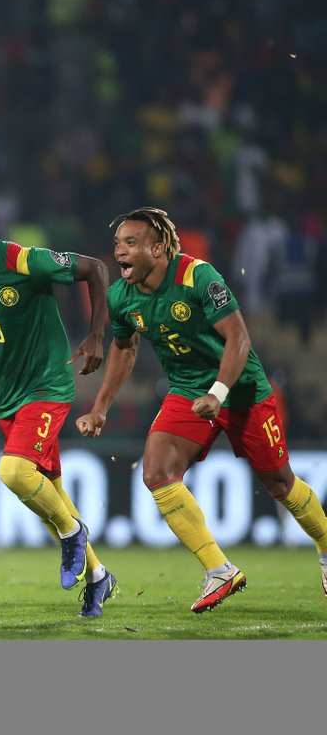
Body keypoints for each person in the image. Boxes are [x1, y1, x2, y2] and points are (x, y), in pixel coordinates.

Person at [76, 207, 327, 611]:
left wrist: (219, 392)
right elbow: (124, 346)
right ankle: (219, 569)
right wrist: (100, 407)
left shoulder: (197, 276)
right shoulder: (121, 296)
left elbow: (239, 338)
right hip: (188, 391)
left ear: (158, 248)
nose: (120, 251)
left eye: (131, 243)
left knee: (280, 484)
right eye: (118, 243)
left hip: (241, 390)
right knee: (156, 472)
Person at [0, 189, 118, 617]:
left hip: (47, 385)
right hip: (7, 396)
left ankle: (73, 535)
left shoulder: (23, 260)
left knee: (14, 472)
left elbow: (95, 269)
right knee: (48, 490)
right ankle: (97, 576)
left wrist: (96, 334)